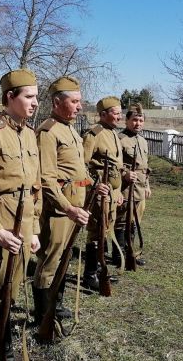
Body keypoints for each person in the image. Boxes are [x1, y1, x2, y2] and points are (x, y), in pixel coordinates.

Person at [0, 69, 42, 359]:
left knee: (12, 292)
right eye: (29, 96)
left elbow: (35, 187)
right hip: (0, 222)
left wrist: (35, 228)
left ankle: (5, 349)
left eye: (37, 96)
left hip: (24, 224)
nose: (35, 102)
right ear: (10, 97)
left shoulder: (29, 135)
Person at [32, 76, 93, 324]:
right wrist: (68, 209)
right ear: (57, 102)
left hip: (74, 206)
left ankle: (56, 304)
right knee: (49, 261)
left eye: (80, 101)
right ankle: (43, 315)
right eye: (75, 101)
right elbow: (46, 179)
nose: (80, 107)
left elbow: (76, 170)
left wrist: (91, 184)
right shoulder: (48, 132)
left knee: (64, 258)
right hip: (59, 211)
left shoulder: (70, 130)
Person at [81, 96, 123, 289]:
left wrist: (119, 190)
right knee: (95, 233)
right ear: (103, 114)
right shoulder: (94, 133)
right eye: (116, 113)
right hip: (99, 193)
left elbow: (117, 166)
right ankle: (90, 275)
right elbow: (82, 165)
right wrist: (94, 184)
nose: (119, 117)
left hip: (112, 193)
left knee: (105, 230)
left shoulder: (113, 133)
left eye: (120, 113)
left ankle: (99, 269)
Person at [117, 103, 152, 267]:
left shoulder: (143, 141)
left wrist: (147, 186)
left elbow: (145, 166)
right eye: (134, 120)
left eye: (140, 120)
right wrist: (124, 173)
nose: (137, 123)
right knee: (122, 222)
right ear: (127, 121)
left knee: (135, 223)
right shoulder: (120, 139)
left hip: (140, 189)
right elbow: (113, 164)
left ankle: (130, 253)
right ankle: (119, 255)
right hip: (125, 189)